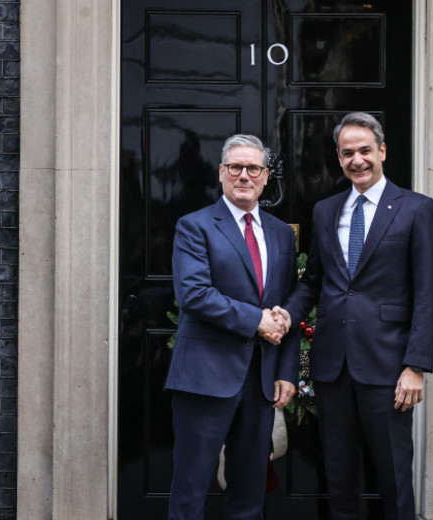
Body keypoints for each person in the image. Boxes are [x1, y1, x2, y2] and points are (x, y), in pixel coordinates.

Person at [275, 112, 433, 520]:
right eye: (348, 153)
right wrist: (283, 316)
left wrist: (416, 366)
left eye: (365, 150)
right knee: (338, 476)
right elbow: (314, 282)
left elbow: (428, 292)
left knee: (393, 475)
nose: (357, 160)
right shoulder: (325, 211)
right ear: (339, 158)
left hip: (388, 368)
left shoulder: (416, 209)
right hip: (332, 367)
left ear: (382, 151)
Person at [165, 134, 299, 520]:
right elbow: (194, 294)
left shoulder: (279, 233)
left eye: (253, 168)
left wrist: (287, 370)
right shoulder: (195, 226)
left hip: (260, 383)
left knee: (249, 494)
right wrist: (256, 319)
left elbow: (289, 305)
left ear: (265, 175)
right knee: (190, 491)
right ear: (222, 173)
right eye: (236, 167)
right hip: (204, 379)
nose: (244, 175)